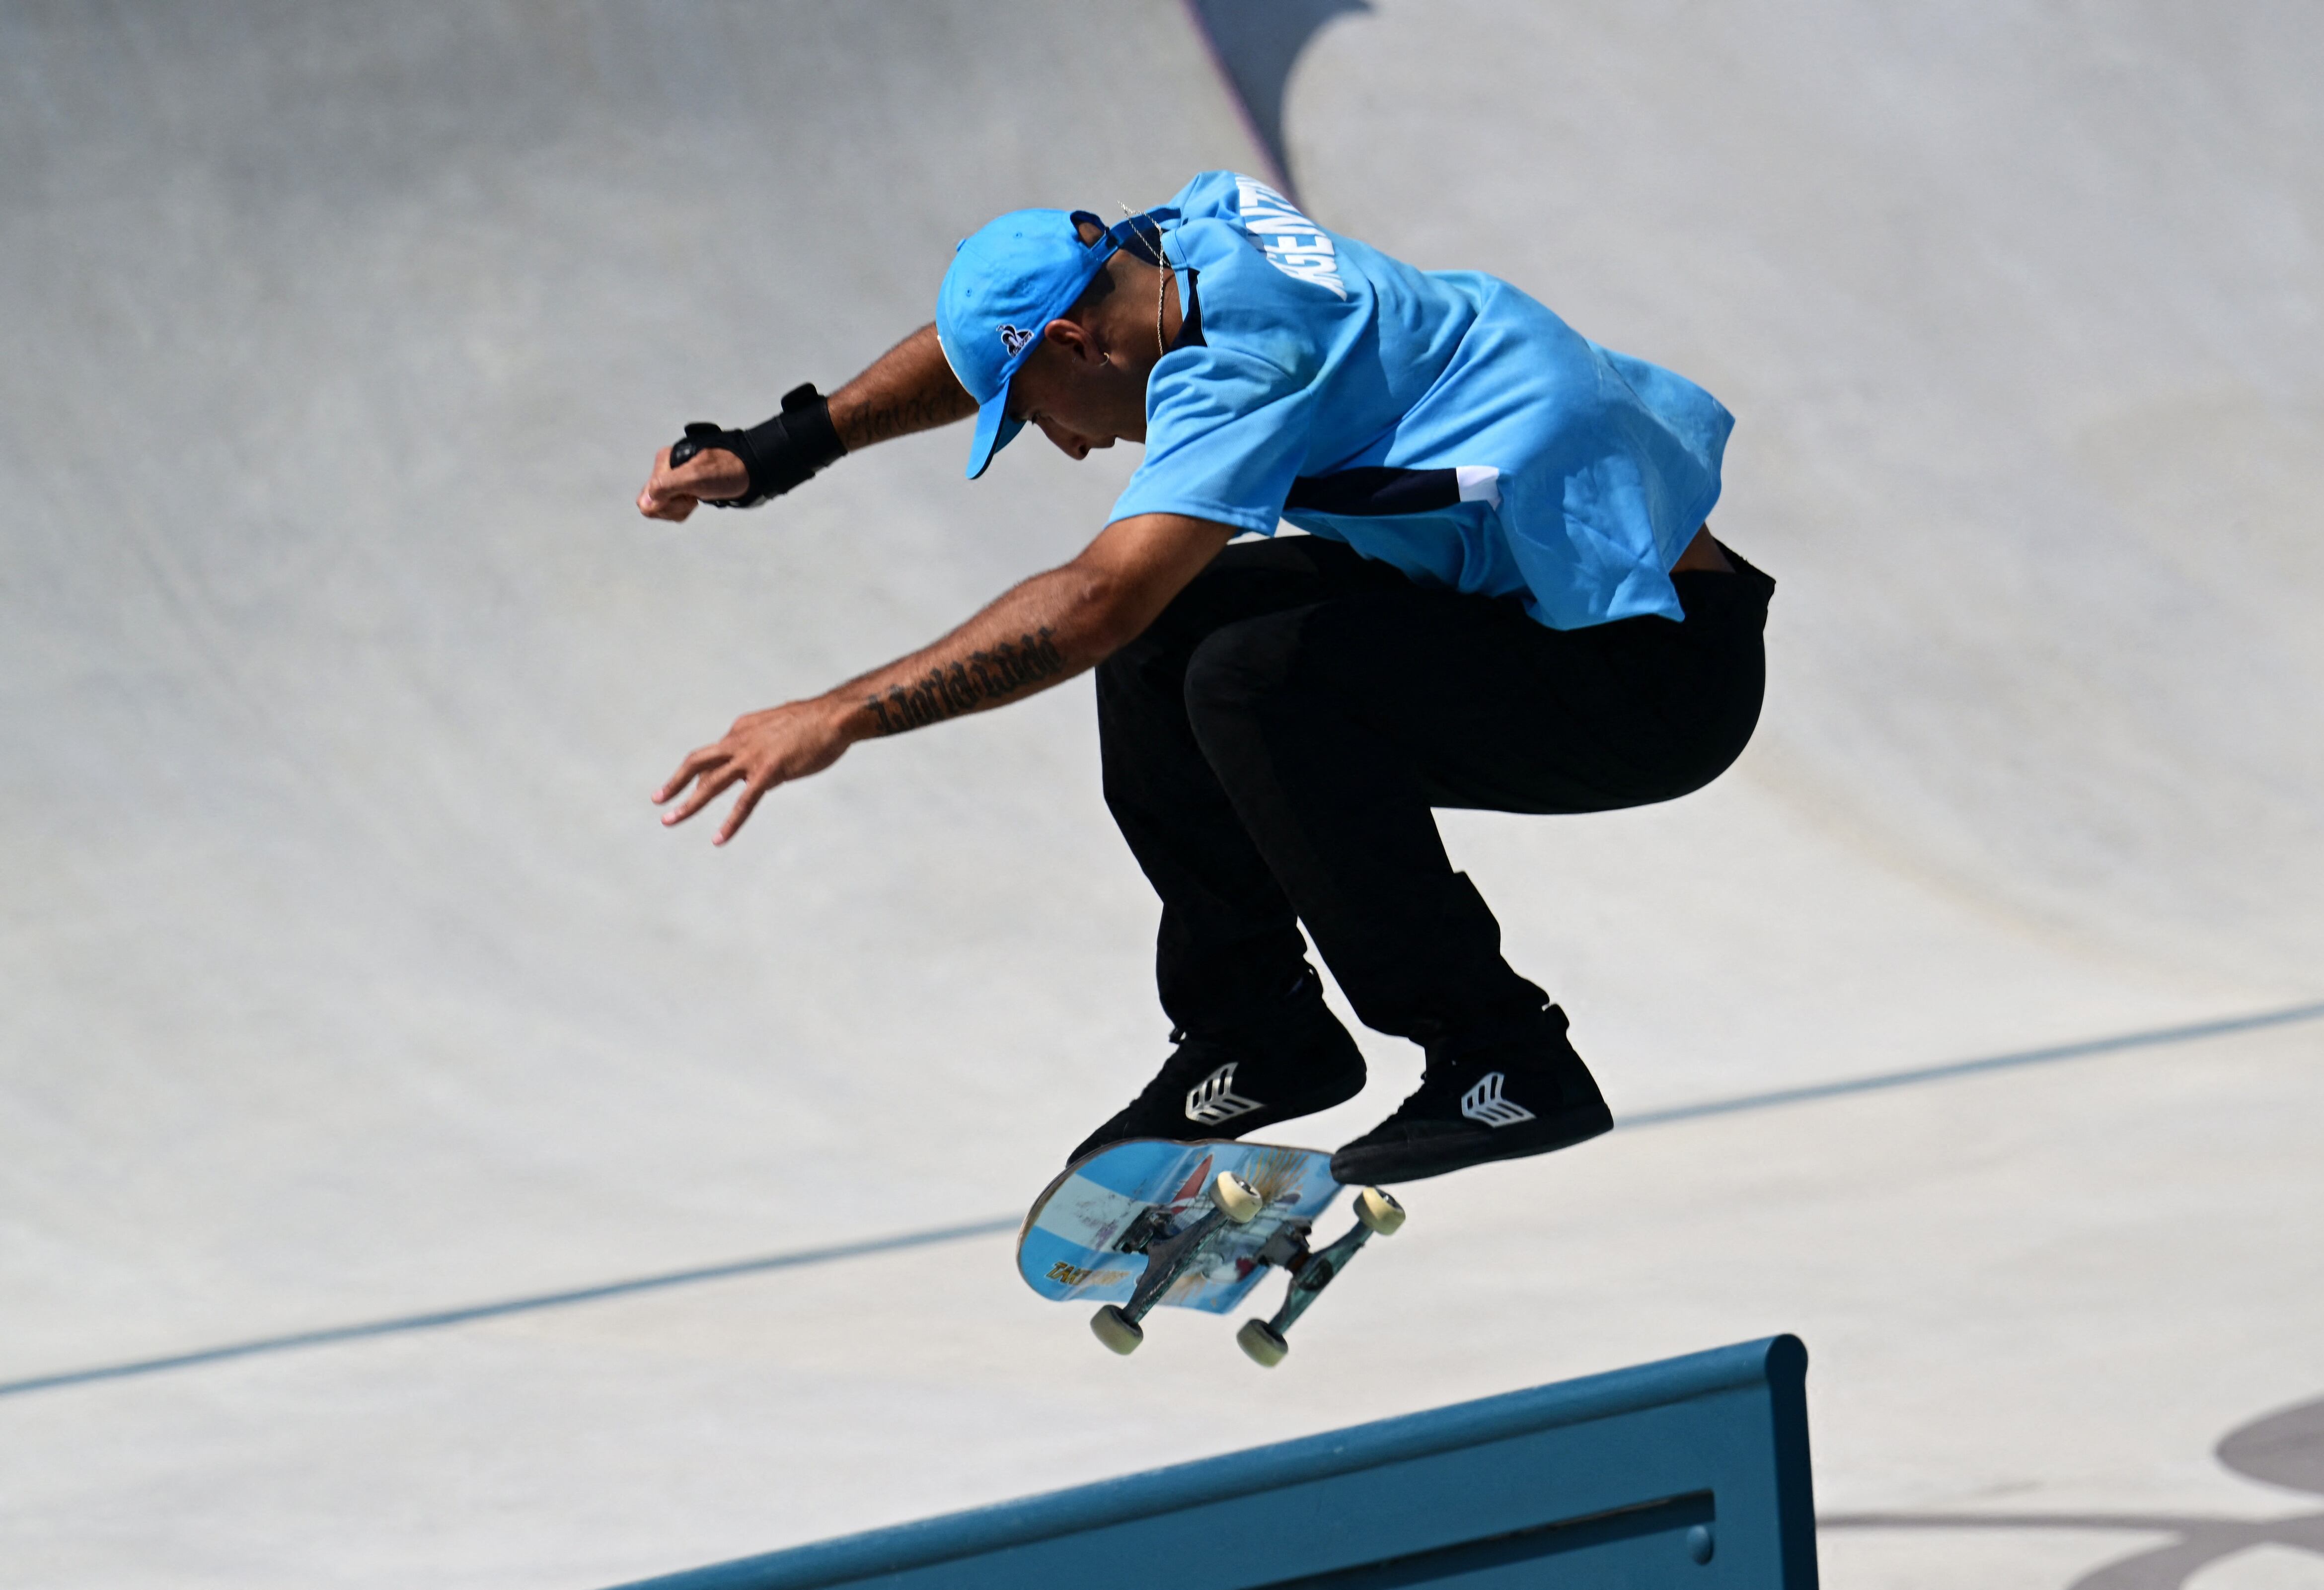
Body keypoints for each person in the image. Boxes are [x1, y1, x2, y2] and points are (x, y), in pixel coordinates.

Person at [635, 172, 1773, 1184]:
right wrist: (782, 449)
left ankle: (1500, 1054)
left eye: (1038, 418)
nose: (1074, 447)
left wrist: (838, 713)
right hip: (1533, 599)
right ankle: (1256, 1026)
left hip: (1655, 675)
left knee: (1254, 675)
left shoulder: (1244, 368)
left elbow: (1092, 602)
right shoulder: (1188, 235)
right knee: (1176, 638)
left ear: (1082, 348)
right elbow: (993, 328)